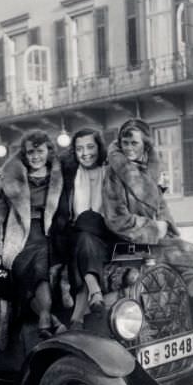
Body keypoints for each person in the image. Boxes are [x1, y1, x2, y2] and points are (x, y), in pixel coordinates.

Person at [103, 118, 193, 295]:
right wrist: (155, 228)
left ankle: (191, 308)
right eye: (125, 143)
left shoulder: (150, 169)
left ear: (146, 144)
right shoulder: (114, 173)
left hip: (156, 241)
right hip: (133, 245)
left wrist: (164, 221)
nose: (129, 148)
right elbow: (116, 219)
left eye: (134, 143)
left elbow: (160, 205)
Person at [0, 129, 64, 343]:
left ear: (49, 151)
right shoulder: (13, 180)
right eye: (30, 153)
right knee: (32, 267)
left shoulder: (61, 176)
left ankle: (47, 318)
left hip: (52, 235)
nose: (35, 157)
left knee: (43, 261)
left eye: (40, 151)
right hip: (18, 237)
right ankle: (48, 318)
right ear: (24, 155)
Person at [52, 127, 113, 328]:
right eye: (79, 149)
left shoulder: (111, 170)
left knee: (87, 221)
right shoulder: (68, 173)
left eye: (90, 147)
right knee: (83, 236)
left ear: (99, 147)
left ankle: (77, 317)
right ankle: (94, 292)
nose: (85, 153)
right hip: (76, 235)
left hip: (107, 232)